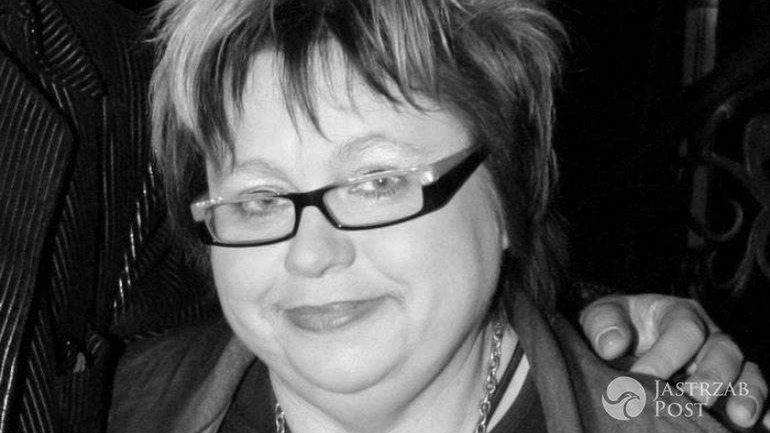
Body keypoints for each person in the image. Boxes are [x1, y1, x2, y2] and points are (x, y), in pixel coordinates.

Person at [107, 0, 768, 432]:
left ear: (509, 195)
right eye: (258, 199)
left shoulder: (658, 414)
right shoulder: (117, 406)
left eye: (378, 181)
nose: (310, 254)